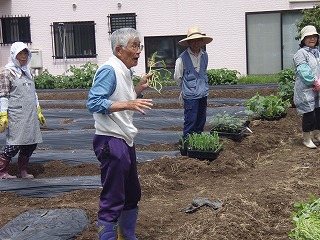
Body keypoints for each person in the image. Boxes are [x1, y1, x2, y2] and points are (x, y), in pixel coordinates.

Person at [86, 28, 153, 240]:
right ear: (119, 49)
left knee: (132, 193)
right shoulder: (109, 70)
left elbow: (119, 97)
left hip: (125, 139)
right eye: (134, 46)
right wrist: (129, 103)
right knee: (113, 197)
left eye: (139, 46)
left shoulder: (123, 70)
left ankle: (127, 236)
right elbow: (93, 102)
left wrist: (137, 90)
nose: (139, 51)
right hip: (111, 139)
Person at [0, 42, 47, 178]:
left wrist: (38, 111)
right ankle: (1, 170)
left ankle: (23, 171)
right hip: (17, 114)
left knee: (31, 143)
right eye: (20, 53)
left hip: (30, 114)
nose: (23, 56)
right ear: (14, 55)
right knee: (15, 143)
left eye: (25, 53)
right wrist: (3, 114)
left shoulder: (27, 72)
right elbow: (3, 94)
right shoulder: (7, 72)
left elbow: (33, 93)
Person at [174, 26, 213, 153]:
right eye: (193, 41)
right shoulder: (182, 59)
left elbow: (203, 71)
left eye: (198, 40)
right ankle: (186, 148)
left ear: (202, 42)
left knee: (201, 121)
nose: (196, 43)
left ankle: (197, 146)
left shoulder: (205, 55)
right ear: (189, 42)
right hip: (190, 96)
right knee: (190, 121)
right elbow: (178, 77)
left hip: (203, 94)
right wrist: (185, 88)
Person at [293, 25, 320, 149]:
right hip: (306, 89)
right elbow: (304, 71)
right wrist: (314, 81)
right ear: (303, 39)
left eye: (314, 36)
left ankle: (316, 134)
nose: (312, 39)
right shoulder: (301, 53)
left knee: (318, 112)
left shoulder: (316, 52)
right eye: (309, 36)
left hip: (317, 88)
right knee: (309, 114)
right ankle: (306, 138)